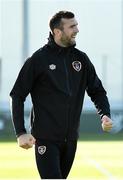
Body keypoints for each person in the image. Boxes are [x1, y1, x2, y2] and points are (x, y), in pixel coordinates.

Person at [10, 11, 113, 179]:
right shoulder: (38, 59)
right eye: (72, 26)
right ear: (57, 32)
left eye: (76, 25)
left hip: (71, 139)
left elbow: (97, 91)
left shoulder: (81, 59)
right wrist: (21, 133)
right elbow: (17, 94)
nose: (77, 30)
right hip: (45, 139)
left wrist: (105, 114)